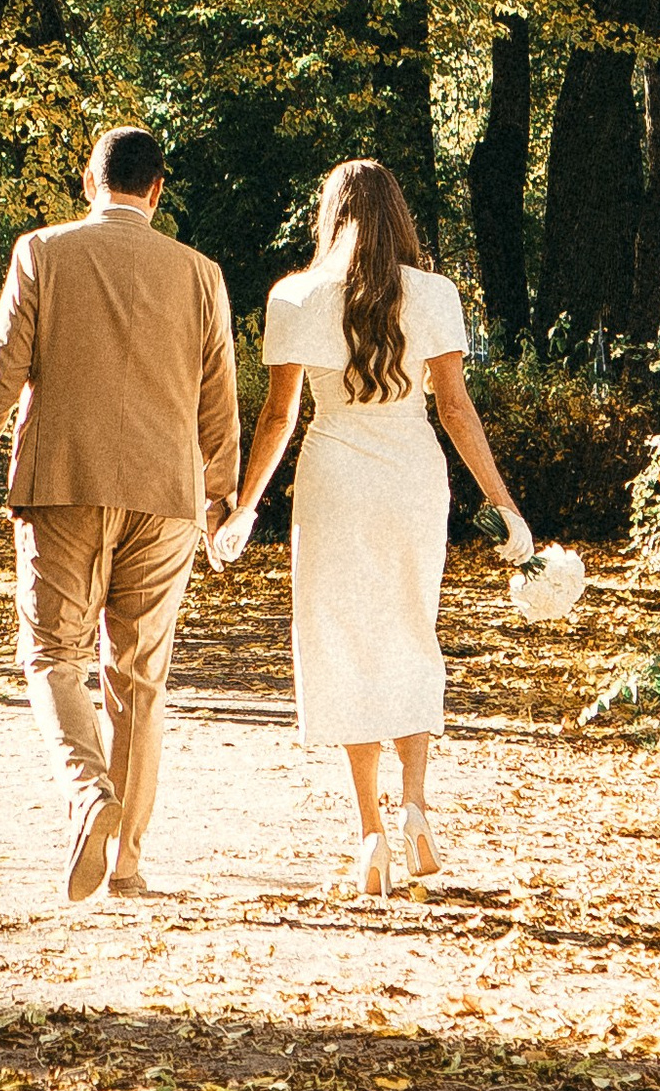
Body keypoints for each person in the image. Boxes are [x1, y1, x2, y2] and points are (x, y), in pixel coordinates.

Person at [0, 125, 238, 904]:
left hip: (61, 485)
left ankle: (87, 790)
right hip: (166, 497)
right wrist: (221, 497)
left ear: (87, 182)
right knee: (138, 678)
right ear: (157, 189)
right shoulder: (202, 275)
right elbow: (219, 400)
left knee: (50, 655)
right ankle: (125, 861)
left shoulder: (43, 253)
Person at [213, 157, 531, 896]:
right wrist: (504, 504)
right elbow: (455, 408)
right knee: (412, 629)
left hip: (334, 480)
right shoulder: (435, 294)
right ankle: (415, 807)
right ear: (399, 216)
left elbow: (279, 416)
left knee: (344, 642)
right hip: (414, 477)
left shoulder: (294, 295)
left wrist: (245, 506)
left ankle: (369, 835)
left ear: (330, 216)